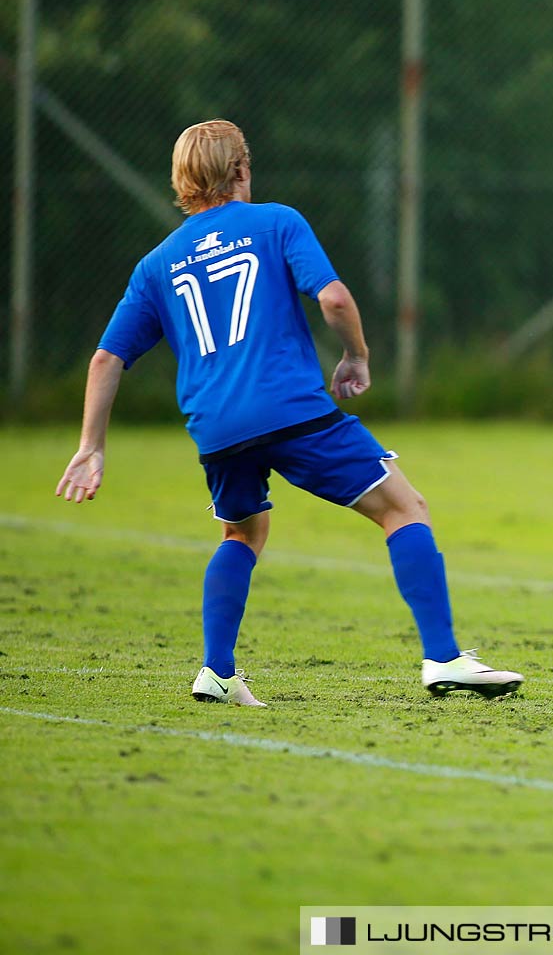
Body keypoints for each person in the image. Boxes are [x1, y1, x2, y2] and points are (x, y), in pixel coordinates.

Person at [53, 119, 522, 706]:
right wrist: (356, 355)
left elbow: (105, 359)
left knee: (243, 531)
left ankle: (217, 673)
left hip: (216, 429)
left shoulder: (155, 266)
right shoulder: (277, 222)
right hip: (291, 409)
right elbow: (333, 297)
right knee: (405, 508)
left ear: (182, 183)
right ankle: (443, 658)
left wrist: (91, 445)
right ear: (242, 170)